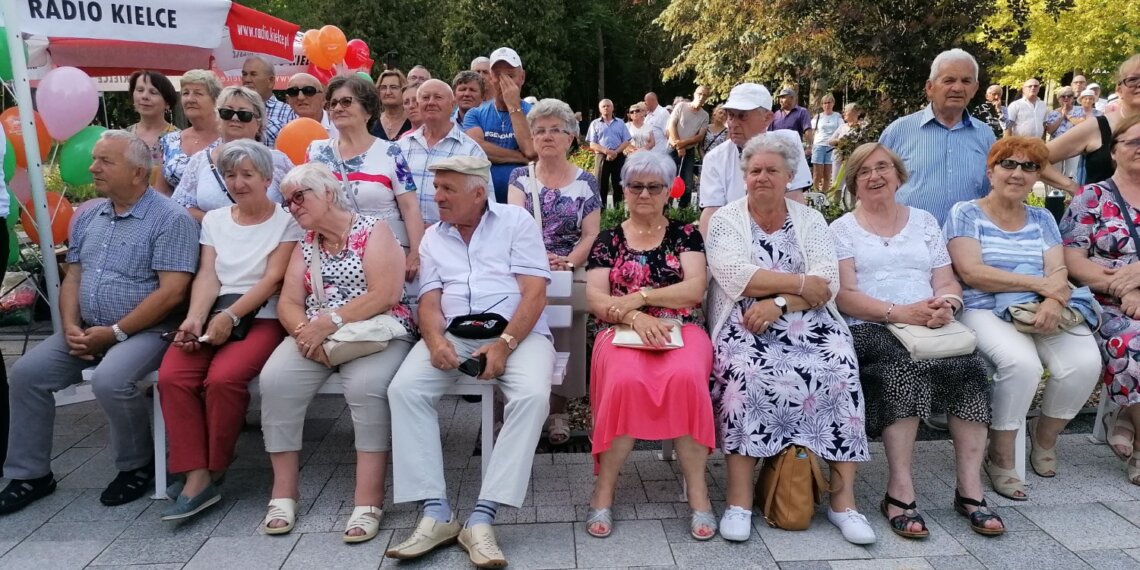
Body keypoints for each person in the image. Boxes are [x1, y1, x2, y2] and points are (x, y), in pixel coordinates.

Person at [0, 130, 199, 514]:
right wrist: (70, 326)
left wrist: (115, 333)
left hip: (148, 330)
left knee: (111, 380)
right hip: (89, 327)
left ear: (140, 172)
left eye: (106, 161)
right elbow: (72, 275)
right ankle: (30, 473)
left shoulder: (171, 219)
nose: (93, 167)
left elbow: (172, 293)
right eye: (95, 158)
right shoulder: (89, 214)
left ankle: (136, 465)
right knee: (26, 374)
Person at [385, 156, 554, 568]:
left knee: (532, 396)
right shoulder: (432, 237)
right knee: (405, 390)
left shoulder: (515, 221)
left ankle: (483, 517)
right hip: (455, 334)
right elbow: (429, 299)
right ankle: (436, 513)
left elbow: (534, 293)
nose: (437, 196)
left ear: (478, 193)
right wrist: (432, 338)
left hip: (519, 332)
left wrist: (506, 344)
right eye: (436, 187)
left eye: (447, 189)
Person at [705, 134, 873, 545]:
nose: (762, 177)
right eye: (755, 171)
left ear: (790, 177)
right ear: (744, 177)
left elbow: (828, 283)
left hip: (806, 318)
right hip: (744, 318)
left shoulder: (810, 218)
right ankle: (739, 501)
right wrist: (801, 284)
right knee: (745, 371)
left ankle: (843, 503)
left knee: (838, 367)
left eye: (771, 171)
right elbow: (735, 276)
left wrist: (780, 301)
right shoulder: (726, 219)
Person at [831, 143, 1004, 537]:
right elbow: (844, 295)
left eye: (883, 168)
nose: (875, 177)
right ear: (854, 183)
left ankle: (969, 490)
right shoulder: (841, 229)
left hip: (929, 323)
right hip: (870, 326)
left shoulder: (924, 221)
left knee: (971, 368)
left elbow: (945, 279)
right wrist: (898, 312)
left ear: (898, 174)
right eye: (864, 172)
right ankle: (899, 492)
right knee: (901, 370)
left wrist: (948, 304)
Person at [257, 162, 416, 542]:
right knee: (275, 380)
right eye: (287, 201)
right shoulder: (306, 242)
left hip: (374, 332)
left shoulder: (373, 231)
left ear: (328, 193)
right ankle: (283, 493)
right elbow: (289, 301)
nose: (292, 206)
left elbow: (386, 294)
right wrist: (305, 332)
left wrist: (330, 323)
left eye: (300, 196)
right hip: (315, 334)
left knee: (365, 387)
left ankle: (368, 500)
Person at [945, 136, 1102, 501]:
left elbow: (1058, 268)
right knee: (1021, 365)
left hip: (1040, 305)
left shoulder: (1043, 216)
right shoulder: (966, 213)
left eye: (1029, 166)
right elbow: (972, 273)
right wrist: (1042, 284)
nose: (1018, 173)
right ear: (991, 171)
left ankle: (1044, 436)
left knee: (1084, 363)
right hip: (983, 308)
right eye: (1009, 164)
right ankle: (1000, 453)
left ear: (1037, 177)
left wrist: (1052, 299)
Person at [156, 141, 302, 521]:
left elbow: (272, 280)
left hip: (262, 317)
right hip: (213, 310)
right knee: (172, 376)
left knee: (223, 379)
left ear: (267, 179)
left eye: (247, 174)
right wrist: (195, 317)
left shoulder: (286, 222)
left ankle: (211, 469)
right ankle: (197, 472)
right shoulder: (215, 220)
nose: (238, 183)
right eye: (231, 175)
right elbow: (207, 274)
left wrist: (230, 317)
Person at [582, 151, 716, 540]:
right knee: (625, 381)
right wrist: (635, 317)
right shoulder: (608, 239)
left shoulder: (686, 234)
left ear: (668, 191)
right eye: (635, 185)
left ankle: (699, 492)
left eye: (653, 186)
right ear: (623, 189)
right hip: (621, 332)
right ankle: (604, 490)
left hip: (682, 329)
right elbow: (595, 298)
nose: (644, 193)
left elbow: (694, 289)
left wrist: (640, 299)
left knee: (687, 378)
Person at [506, 99, 601, 445]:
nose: (546, 136)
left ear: (571, 137)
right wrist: (539, 258)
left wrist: (570, 261)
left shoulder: (586, 181)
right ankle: (513, 407)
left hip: (568, 265)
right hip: (525, 263)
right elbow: (514, 226)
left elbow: (591, 233)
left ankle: (558, 409)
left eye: (555, 130)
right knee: (515, 321)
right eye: (539, 130)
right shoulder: (519, 177)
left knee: (567, 324)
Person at [1061, 113, 1140, 486]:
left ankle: (1125, 418)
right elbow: (1072, 258)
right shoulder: (1092, 197)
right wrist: (1122, 288)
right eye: (1133, 142)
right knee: (1131, 340)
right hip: (1106, 299)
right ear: (1114, 151)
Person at [306, 75, 424, 282]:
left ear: (368, 111)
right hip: (330, 258)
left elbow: (410, 207)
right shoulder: (315, 151)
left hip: (383, 254)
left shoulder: (391, 152)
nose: (338, 108)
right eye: (332, 103)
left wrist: (416, 252)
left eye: (346, 101)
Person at [879, 49, 996, 225]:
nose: (957, 88)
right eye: (948, 80)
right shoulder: (899, 131)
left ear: (975, 89)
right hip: (910, 242)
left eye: (966, 81)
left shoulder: (985, 135)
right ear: (930, 87)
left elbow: (993, 193)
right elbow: (874, 187)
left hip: (967, 244)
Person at [698, 83, 812, 234]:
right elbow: (711, 213)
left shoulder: (787, 145)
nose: (733, 124)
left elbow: (795, 201)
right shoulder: (714, 158)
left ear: (768, 118)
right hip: (732, 239)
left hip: (782, 237)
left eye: (742, 116)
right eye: (731, 116)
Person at [172, 86, 293, 222]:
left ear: (258, 123)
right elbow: (179, 205)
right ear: (218, 118)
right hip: (212, 240)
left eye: (244, 115)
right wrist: (217, 225)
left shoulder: (277, 160)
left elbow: (298, 202)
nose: (235, 118)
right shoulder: (200, 161)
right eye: (227, 113)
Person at [1039, 54, 1140, 192]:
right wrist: (1075, 189)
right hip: (1106, 212)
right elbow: (1036, 158)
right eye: (1133, 79)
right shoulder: (1097, 127)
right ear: (1119, 90)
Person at [397, 79, 487, 226]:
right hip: (404, 241)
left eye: (438, 97)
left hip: (451, 240)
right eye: (425, 98)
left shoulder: (471, 151)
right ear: (419, 105)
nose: (431, 102)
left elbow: (484, 205)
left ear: (452, 105)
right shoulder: (400, 148)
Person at [462, 47, 537, 203]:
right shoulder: (475, 114)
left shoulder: (535, 113)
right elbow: (476, 148)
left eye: (510, 75)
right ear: (490, 78)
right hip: (484, 203)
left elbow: (530, 150)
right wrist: (519, 157)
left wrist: (513, 106)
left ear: (522, 77)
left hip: (525, 201)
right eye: (497, 75)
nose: (504, 81)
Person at [156, 69, 222, 195]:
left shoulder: (229, 139)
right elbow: (160, 192)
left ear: (215, 100)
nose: (190, 99)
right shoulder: (170, 141)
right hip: (174, 213)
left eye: (198, 93)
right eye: (185, 93)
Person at [125, 70, 179, 187]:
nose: (144, 96)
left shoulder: (179, 139)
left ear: (167, 103)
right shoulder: (122, 137)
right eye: (140, 90)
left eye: (153, 92)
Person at [667, 86, 710, 207]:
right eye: (700, 94)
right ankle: (664, 212)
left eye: (705, 95)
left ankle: (683, 215)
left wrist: (682, 144)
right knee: (667, 181)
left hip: (689, 151)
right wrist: (678, 146)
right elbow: (672, 126)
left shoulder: (705, 116)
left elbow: (699, 137)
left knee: (687, 185)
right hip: (672, 149)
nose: (702, 97)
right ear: (694, 94)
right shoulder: (681, 106)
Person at [586, 99, 632, 208]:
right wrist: (607, 151)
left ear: (612, 108)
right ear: (600, 109)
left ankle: (618, 210)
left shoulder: (620, 123)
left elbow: (626, 140)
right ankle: (601, 212)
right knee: (601, 185)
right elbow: (592, 144)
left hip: (618, 156)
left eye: (608, 106)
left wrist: (615, 152)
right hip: (602, 156)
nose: (606, 108)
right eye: (603, 106)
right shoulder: (595, 123)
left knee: (618, 184)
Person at [242, 56, 296, 148]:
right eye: (244, 74)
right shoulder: (231, 110)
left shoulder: (289, 113)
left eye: (253, 74)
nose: (247, 79)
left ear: (271, 81)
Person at [285, 72, 337, 138]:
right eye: (293, 92)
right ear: (288, 100)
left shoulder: (341, 128)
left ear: (323, 98)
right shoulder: (286, 132)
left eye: (308, 91)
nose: (300, 97)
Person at [1045, 86, 1080, 181]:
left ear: (1073, 98)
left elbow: (1082, 126)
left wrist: (1068, 116)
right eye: (1063, 96)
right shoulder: (1052, 113)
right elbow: (1049, 130)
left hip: (1074, 145)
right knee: (1056, 172)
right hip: (1057, 145)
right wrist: (1061, 117)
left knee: (1072, 173)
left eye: (1069, 96)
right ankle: (1056, 194)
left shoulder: (1079, 111)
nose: (1066, 98)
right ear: (1059, 99)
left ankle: (1072, 195)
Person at [810, 94, 843, 193]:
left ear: (833, 103)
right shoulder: (818, 116)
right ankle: (814, 195)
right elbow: (811, 132)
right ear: (821, 105)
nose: (827, 105)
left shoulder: (837, 116)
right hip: (819, 145)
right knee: (817, 174)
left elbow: (842, 131)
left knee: (827, 175)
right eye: (824, 103)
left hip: (831, 147)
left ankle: (824, 197)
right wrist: (810, 145)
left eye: (829, 102)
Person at [769, 87, 813, 154]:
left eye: (783, 97)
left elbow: (807, 130)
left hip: (794, 152)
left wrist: (809, 146)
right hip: (777, 152)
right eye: (780, 98)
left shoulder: (802, 112)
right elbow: (769, 133)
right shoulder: (776, 114)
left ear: (792, 98)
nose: (780, 100)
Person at [372, 69, 413, 142]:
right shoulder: (371, 122)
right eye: (383, 88)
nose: (388, 92)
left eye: (393, 87)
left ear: (403, 90)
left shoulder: (413, 121)